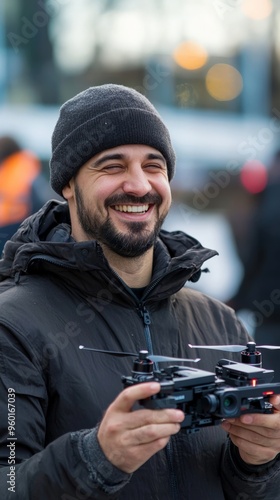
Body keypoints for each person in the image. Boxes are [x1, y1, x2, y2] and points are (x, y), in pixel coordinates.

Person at [0, 84, 280, 500]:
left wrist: (259, 466)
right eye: (112, 166)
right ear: (68, 185)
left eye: (153, 165)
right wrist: (96, 457)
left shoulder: (220, 322)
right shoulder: (13, 326)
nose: (138, 185)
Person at [228, 151, 280, 381]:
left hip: (269, 313)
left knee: (267, 382)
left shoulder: (269, 200)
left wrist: (238, 300)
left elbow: (256, 259)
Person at [0, 135, 55, 255]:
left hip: (9, 225)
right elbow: (41, 199)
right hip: (25, 225)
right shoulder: (26, 166)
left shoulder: (10, 169)